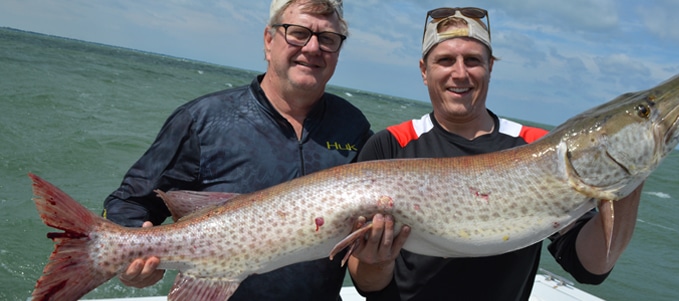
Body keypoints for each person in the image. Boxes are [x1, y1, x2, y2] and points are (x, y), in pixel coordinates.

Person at [347, 6, 643, 300]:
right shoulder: (390, 145)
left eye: (473, 60)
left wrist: (630, 177)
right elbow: (367, 283)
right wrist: (378, 260)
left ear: (490, 66)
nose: (460, 73)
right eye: (445, 60)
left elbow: (591, 266)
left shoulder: (537, 149)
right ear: (425, 71)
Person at [102, 0, 372, 300]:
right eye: (298, 33)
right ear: (269, 41)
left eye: (327, 39)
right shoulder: (202, 120)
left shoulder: (353, 127)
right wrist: (133, 258)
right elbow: (128, 203)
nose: (312, 48)